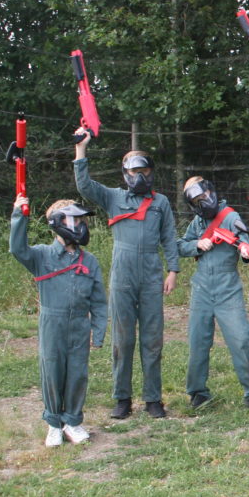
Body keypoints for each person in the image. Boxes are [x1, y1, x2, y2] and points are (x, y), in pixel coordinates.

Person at [74, 136, 179, 419]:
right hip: (122, 273)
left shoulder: (161, 202)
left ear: (150, 172)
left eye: (143, 171)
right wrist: (80, 148)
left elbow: (169, 236)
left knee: (152, 338)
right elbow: (84, 186)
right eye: (133, 172)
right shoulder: (114, 197)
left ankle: (153, 399)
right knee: (122, 339)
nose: (139, 177)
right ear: (125, 174)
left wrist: (173, 270)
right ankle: (122, 398)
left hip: (151, 272)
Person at [9, 196, 108, 446]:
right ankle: (54, 424)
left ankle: (72, 422)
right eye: (74, 220)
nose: (80, 225)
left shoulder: (90, 261)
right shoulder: (42, 256)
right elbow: (17, 249)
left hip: (79, 325)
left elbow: (98, 302)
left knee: (77, 374)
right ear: (58, 223)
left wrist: (98, 332)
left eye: (81, 220)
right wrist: (19, 215)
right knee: (52, 371)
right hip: (52, 323)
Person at [176, 177, 249, 410]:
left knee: (241, 339)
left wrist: (248, 253)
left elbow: (246, 244)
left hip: (228, 288)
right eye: (197, 200)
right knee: (198, 342)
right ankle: (197, 393)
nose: (203, 201)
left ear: (211, 191)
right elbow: (179, 245)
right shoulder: (197, 222)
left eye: (204, 196)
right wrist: (197, 244)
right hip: (201, 288)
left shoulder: (230, 217)